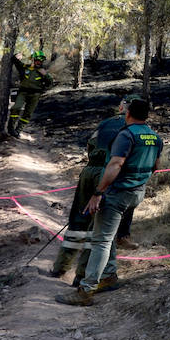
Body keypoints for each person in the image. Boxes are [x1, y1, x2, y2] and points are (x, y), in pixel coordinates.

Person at [58, 96, 163, 306]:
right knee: (111, 233)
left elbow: (115, 164)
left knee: (101, 241)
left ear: (128, 113)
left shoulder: (126, 135)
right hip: (137, 193)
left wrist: (98, 192)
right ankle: (108, 276)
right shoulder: (155, 137)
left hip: (117, 193)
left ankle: (86, 290)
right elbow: (156, 166)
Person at [49, 94, 131, 280]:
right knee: (97, 226)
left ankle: (60, 268)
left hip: (89, 171)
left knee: (78, 219)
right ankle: (81, 276)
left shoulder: (105, 123)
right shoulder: (134, 129)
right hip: (108, 174)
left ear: (121, 108)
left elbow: (90, 144)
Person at [8, 51, 53, 136]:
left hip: (35, 95)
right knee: (16, 107)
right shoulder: (25, 67)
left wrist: (46, 75)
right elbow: (16, 61)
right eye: (37, 60)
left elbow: (50, 83)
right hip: (23, 92)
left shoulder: (43, 71)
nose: (39, 62)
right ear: (33, 60)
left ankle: (17, 131)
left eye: (41, 61)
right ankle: (10, 128)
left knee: (28, 114)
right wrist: (17, 55)